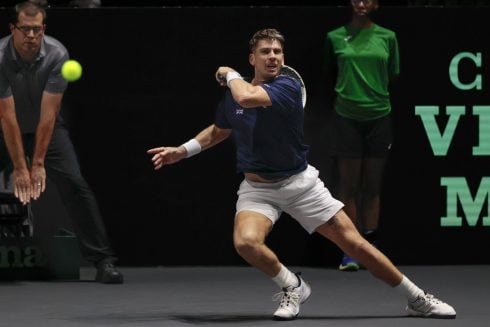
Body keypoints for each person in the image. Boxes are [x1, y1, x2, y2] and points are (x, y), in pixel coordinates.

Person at [148, 28, 455, 320]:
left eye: (278, 52)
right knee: (246, 243)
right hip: (257, 188)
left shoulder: (287, 86)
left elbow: (246, 98)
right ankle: (292, 285)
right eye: (265, 51)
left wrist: (228, 73)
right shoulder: (234, 94)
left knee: (356, 245)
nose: (273, 57)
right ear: (252, 58)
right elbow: (219, 130)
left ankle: (418, 299)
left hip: (300, 184)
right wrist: (183, 149)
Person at [0, 1, 123, 283]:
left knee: (75, 184)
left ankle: (103, 261)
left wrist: (39, 162)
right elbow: (7, 118)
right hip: (5, 127)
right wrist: (21, 167)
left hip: (48, 128)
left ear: (43, 29)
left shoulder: (57, 54)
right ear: (13, 29)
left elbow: (49, 115)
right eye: (24, 29)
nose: (31, 35)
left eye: (36, 30)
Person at [323, 0, 399, 271]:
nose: (362, 4)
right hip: (346, 118)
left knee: (372, 186)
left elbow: (391, 74)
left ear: (377, 4)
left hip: (379, 117)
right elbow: (331, 73)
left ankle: (371, 244)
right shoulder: (334, 37)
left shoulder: (388, 37)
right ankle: (351, 250)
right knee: (348, 187)